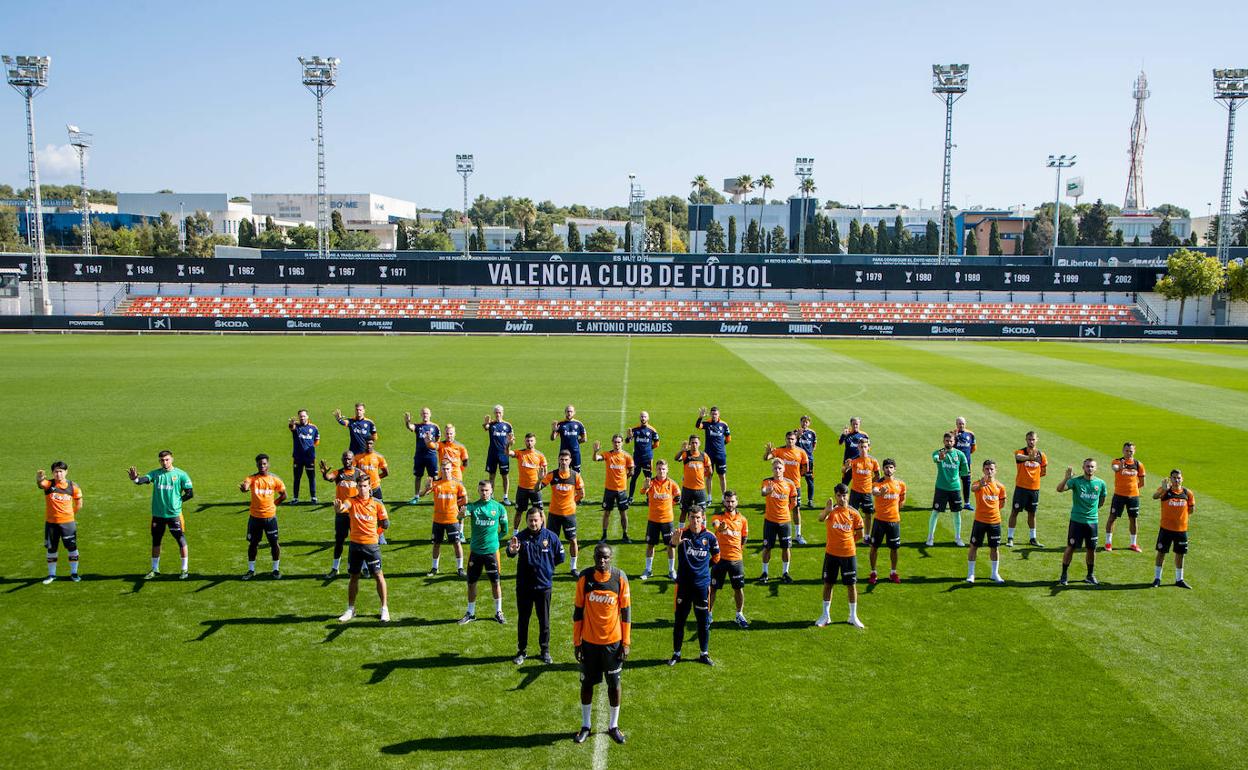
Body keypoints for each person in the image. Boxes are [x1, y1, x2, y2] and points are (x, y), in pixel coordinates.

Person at [573, 543, 630, 746]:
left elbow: (626, 612)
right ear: (594, 558)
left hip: (613, 644)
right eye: (599, 557)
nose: (602, 561)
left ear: (611, 558)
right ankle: (586, 725)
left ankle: (613, 726)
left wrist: (626, 642)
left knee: (614, 685)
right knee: (587, 684)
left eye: (605, 557)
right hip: (589, 643)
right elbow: (578, 611)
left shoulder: (619, 578)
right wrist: (576, 641)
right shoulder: (585, 578)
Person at [507, 506, 565, 664]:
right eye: (530, 520)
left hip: (544, 587)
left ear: (541, 520)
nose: (533, 523)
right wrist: (512, 551)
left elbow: (560, 558)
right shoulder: (520, 537)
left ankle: (545, 651)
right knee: (523, 620)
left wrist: (546, 569)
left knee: (544, 621)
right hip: (524, 587)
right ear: (526, 521)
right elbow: (510, 551)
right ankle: (521, 651)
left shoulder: (551, 537)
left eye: (536, 520)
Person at [128, 450, 194, 580]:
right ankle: (155, 569)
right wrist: (135, 479)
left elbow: (190, 493)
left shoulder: (181, 475)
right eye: (162, 460)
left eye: (167, 459)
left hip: (174, 514)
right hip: (158, 515)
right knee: (156, 541)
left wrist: (179, 501)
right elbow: (143, 480)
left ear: (172, 459)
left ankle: (184, 570)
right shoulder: (156, 474)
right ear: (159, 461)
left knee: (180, 540)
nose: (165, 462)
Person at [668, 507, 720, 666]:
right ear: (688, 518)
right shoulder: (681, 534)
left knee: (703, 622)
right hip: (683, 586)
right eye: (692, 517)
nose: (695, 521)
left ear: (703, 518)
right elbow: (671, 547)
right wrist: (673, 544)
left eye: (698, 518)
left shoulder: (710, 537)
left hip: (702, 587)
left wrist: (704, 568)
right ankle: (677, 654)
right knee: (679, 621)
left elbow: (717, 557)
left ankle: (704, 653)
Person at [336, 477, 390, 622]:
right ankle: (350, 609)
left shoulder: (377, 504)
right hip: (355, 546)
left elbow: (385, 524)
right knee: (354, 577)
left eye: (364, 486)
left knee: (378, 576)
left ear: (370, 487)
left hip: (372, 546)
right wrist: (338, 509)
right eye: (359, 486)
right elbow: (343, 508)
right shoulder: (351, 501)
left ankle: (384, 609)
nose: (361, 489)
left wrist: (375, 534)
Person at [459, 479, 509, 624]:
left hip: (491, 552)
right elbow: (461, 515)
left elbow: (504, 530)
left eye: (487, 490)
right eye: (482, 490)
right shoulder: (473, 507)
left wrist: (495, 541)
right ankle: (470, 613)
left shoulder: (499, 508)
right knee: (471, 583)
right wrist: (461, 515)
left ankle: (498, 612)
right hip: (475, 552)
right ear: (478, 491)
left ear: (492, 490)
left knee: (495, 582)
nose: (484, 493)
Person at [816, 484, 865, 629]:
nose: (842, 498)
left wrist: (848, 542)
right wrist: (826, 510)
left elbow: (860, 534)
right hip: (831, 554)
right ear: (836, 496)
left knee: (851, 585)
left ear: (848, 496)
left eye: (844, 495)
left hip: (848, 555)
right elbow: (820, 518)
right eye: (839, 495)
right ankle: (826, 615)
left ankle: (853, 616)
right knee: (828, 584)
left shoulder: (854, 513)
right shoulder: (831, 511)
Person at [1056, 459, 1108, 586]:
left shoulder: (1100, 483)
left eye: (1092, 467)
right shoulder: (1076, 481)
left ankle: (1090, 575)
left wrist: (1092, 511)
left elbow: (1102, 500)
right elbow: (1059, 489)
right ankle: (1064, 574)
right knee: (1071, 547)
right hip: (1077, 521)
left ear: (1095, 469)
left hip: (1092, 522)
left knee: (1091, 549)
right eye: (1087, 466)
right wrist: (1066, 478)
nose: (1089, 469)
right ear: (1083, 468)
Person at [537, 450, 585, 576]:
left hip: (569, 514)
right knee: (551, 540)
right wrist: (539, 480)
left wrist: (572, 503)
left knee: (573, 540)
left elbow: (581, 494)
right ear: (558, 460)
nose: (563, 462)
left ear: (570, 461)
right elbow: (537, 488)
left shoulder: (575, 476)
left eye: (566, 460)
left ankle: (573, 567)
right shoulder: (552, 475)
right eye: (561, 460)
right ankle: (550, 565)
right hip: (554, 514)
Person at [239, 453, 286, 580]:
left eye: (264, 464)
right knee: (253, 544)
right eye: (260, 464)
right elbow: (246, 485)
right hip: (255, 518)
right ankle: (251, 570)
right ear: (257, 465)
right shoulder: (252, 478)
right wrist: (244, 488)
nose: (262, 466)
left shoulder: (274, 479)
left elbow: (283, 495)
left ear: (268, 465)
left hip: (270, 518)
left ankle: (275, 570)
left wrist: (274, 505)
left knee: (274, 543)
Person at [319, 451, 365, 578]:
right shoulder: (339, 473)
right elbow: (329, 477)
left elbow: (367, 487)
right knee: (339, 541)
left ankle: (365, 568)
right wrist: (324, 473)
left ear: (353, 460)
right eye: (345, 459)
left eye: (349, 459)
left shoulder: (359, 474)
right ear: (342, 460)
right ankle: (335, 568)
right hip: (342, 513)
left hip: (356, 513)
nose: (347, 461)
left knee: (360, 541)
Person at [37, 461, 83, 584]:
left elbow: (79, 504)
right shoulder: (49, 484)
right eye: (56, 471)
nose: (58, 474)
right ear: (52, 473)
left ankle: (74, 573)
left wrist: (70, 514)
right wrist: (39, 478)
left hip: (68, 523)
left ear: (66, 472)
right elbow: (41, 483)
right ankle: (52, 575)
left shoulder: (73, 486)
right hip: (51, 524)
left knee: (72, 547)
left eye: (61, 471)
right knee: (51, 549)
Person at [709, 490, 749, 628]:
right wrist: (720, 528)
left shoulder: (742, 519)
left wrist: (739, 550)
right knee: (713, 588)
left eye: (732, 501)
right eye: (727, 501)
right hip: (719, 560)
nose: (730, 504)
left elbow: (744, 537)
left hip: (736, 560)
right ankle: (708, 614)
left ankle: (739, 614)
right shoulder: (718, 517)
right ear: (723, 502)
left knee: (738, 589)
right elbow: (715, 525)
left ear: (737, 502)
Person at [421, 458, 468, 577]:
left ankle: (460, 568)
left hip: (452, 519)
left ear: (451, 469)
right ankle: (434, 568)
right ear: (440, 470)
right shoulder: (436, 483)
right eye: (443, 469)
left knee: (457, 543)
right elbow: (421, 494)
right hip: (438, 520)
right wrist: (426, 488)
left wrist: (460, 510)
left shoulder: (457, 484)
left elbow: (465, 499)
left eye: (448, 469)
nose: (446, 471)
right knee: (436, 544)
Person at [764, 431, 811, 544]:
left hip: (795, 486)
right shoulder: (780, 450)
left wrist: (798, 477)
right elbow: (767, 458)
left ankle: (798, 535)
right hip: (780, 485)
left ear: (796, 440)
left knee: (796, 509)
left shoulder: (801, 452)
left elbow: (805, 468)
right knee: (777, 508)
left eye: (792, 439)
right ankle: (776, 532)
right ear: (785, 439)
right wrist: (767, 452)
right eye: (788, 439)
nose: (790, 441)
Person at [757, 458, 798, 584]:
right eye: (775, 468)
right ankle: (765, 572)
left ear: (784, 469)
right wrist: (767, 492)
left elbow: (794, 502)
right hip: (770, 521)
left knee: (786, 548)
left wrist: (785, 511)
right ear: (772, 469)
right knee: (767, 548)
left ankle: (785, 572)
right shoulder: (767, 482)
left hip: (785, 522)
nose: (777, 470)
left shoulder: (790, 484)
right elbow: (763, 492)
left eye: (780, 468)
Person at [966, 460, 1007, 584]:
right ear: (983, 470)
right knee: (974, 547)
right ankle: (971, 574)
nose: (989, 471)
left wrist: (992, 511)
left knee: (995, 548)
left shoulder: (1000, 486)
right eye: (987, 469)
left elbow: (1002, 503)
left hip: (995, 522)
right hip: (980, 521)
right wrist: (980, 486)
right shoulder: (979, 483)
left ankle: (994, 574)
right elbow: (973, 489)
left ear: (995, 470)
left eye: (991, 469)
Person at [1152, 469, 1194, 589]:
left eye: (1179, 478)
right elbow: (1154, 496)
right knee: (1161, 553)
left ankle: (1179, 579)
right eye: (1174, 478)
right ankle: (1157, 579)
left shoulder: (1187, 493)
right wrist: (1163, 489)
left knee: (1180, 554)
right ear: (1170, 479)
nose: (1176, 480)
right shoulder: (1165, 490)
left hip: (1181, 530)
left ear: (1182, 479)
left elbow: (1191, 509)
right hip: (1166, 529)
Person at [639, 459, 680, 580]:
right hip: (653, 520)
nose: (661, 471)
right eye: (659, 469)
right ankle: (648, 570)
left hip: (667, 521)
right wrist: (645, 487)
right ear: (655, 470)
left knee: (671, 546)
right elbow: (642, 492)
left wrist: (668, 506)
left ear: (667, 470)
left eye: (663, 469)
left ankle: (671, 571)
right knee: (650, 545)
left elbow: (678, 497)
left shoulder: (672, 484)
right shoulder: (650, 482)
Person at [926, 432, 968, 547]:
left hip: (955, 488)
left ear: (954, 442)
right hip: (941, 488)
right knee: (935, 512)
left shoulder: (960, 455)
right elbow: (935, 458)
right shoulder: (939, 453)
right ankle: (930, 537)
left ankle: (958, 538)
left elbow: (965, 471)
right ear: (943, 441)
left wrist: (961, 475)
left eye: (951, 441)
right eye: (946, 441)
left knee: (956, 513)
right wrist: (940, 458)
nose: (948, 443)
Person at [868, 458, 906, 584]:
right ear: (883, 469)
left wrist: (896, 510)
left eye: (891, 467)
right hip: (879, 521)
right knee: (874, 547)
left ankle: (893, 573)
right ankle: (873, 572)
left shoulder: (900, 484)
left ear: (894, 469)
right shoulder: (878, 483)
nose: (888, 470)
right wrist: (880, 493)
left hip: (894, 521)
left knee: (894, 549)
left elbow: (902, 498)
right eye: (886, 467)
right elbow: (875, 492)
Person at [1008, 431, 1048, 548]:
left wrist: (1033, 478)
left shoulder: (1041, 455)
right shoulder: (1021, 452)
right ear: (1026, 440)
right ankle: (1010, 538)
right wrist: (1029, 457)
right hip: (1021, 488)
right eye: (1029, 439)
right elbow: (1018, 457)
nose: (1031, 441)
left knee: (1032, 513)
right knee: (1015, 512)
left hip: (1034, 489)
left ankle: (1033, 538)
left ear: (1037, 440)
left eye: (1033, 439)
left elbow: (1043, 471)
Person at [593, 435, 634, 543]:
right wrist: (595, 452)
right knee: (606, 513)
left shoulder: (627, 456)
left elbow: (632, 470)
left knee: (623, 513)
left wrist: (625, 477)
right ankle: (604, 535)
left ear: (622, 443)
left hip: (621, 490)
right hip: (609, 489)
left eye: (619, 442)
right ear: (612, 442)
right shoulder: (607, 454)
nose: (617, 444)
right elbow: (596, 458)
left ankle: (625, 534)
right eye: (615, 442)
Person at [1107, 442, 1146, 552]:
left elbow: (1142, 483)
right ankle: (1108, 543)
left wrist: (1132, 489)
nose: (1129, 453)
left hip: (1133, 497)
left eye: (1131, 451)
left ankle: (1133, 544)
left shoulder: (1139, 464)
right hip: (1119, 495)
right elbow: (1114, 468)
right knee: (1112, 518)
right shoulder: (1117, 461)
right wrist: (1120, 467)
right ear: (1123, 451)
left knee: (1133, 519)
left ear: (1134, 451)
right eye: (1126, 451)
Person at [841, 438, 880, 544]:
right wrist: (846, 467)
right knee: (851, 514)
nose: (863, 449)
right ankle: (850, 534)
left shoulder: (873, 461)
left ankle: (867, 536)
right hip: (855, 492)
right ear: (858, 447)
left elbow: (877, 476)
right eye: (861, 447)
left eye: (865, 447)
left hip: (867, 493)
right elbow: (843, 470)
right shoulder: (853, 460)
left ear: (869, 448)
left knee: (868, 515)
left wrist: (870, 484)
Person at [509, 433, 548, 526]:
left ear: (535, 441)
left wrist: (541, 481)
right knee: (519, 511)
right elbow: (508, 453)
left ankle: (544, 533)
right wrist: (509, 444)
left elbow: (545, 472)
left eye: (531, 441)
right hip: (522, 488)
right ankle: (515, 533)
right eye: (527, 441)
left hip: (535, 488)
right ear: (525, 441)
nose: (529, 443)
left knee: (540, 512)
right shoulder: (520, 452)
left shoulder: (540, 455)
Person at [403, 407, 440, 504]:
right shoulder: (418, 426)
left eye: (427, 413)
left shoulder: (435, 427)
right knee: (418, 476)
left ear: (430, 414)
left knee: (435, 477)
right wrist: (407, 422)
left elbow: (438, 440)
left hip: (431, 456)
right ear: (421, 415)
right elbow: (410, 427)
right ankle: (416, 497)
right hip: (419, 456)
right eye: (423, 413)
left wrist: (432, 444)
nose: (425, 415)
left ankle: (437, 497)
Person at [694, 406, 731, 502]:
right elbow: (698, 426)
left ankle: (724, 497)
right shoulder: (707, 423)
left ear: (719, 414)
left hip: (720, 455)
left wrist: (721, 446)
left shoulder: (724, 425)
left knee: (722, 476)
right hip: (708, 455)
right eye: (712, 414)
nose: (714, 416)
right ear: (710, 414)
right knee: (709, 475)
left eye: (716, 414)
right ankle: (709, 496)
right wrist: (700, 417)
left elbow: (728, 439)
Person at [676, 435, 714, 524]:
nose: (694, 444)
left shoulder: (704, 456)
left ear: (699, 444)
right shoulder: (686, 454)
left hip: (700, 489)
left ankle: (703, 532)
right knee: (684, 512)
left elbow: (710, 471)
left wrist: (701, 475)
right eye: (692, 442)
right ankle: (681, 532)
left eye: (696, 442)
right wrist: (682, 450)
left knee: (702, 512)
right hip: (687, 489)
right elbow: (676, 458)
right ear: (689, 444)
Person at [482, 404, 515, 506]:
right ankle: (491, 496)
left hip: (504, 454)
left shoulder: (508, 426)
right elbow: (486, 427)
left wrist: (511, 442)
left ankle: (505, 497)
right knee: (492, 476)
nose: (498, 414)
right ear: (494, 413)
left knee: (505, 476)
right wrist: (486, 423)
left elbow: (512, 441)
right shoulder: (492, 424)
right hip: (492, 454)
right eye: (496, 412)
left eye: (499, 412)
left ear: (503, 413)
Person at [625, 411, 659, 501]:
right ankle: (630, 497)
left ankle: (649, 497)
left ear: (648, 418)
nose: (643, 418)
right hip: (636, 458)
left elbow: (657, 444)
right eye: (642, 416)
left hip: (647, 459)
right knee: (633, 477)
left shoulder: (652, 430)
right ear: (639, 418)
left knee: (648, 479)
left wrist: (648, 449)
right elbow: (627, 441)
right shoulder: (634, 429)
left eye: (645, 417)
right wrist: (628, 437)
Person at [288, 410, 319, 504]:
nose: (302, 418)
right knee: (297, 478)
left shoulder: (314, 428)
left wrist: (309, 447)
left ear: (307, 416)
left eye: (304, 416)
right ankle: (295, 498)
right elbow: (291, 428)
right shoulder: (296, 426)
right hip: (298, 458)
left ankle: (313, 497)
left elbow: (316, 441)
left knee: (311, 477)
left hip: (309, 458)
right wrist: (291, 424)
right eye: (300, 416)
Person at [551, 404, 587, 472]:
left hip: (575, 453)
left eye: (571, 411)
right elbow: (553, 438)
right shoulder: (560, 424)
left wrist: (575, 442)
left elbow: (584, 439)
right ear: (565, 412)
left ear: (574, 412)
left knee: (576, 473)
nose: (569, 413)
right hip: (563, 454)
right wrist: (554, 431)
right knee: (562, 472)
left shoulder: (579, 424)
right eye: (568, 411)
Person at [353, 438, 389, 503]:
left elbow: (386, 473)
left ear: (373, 444)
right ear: (364, 444)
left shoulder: (379, 457)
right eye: (367, 444)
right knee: (362, 508)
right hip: (363, 488)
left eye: (370, 443)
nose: (369, 445)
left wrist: (376, 479)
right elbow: (353, 471)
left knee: (379, 507)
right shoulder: (358, 457)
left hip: (375, 487)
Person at [795, 415, 818, 510]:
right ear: (800, 422)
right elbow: (792, 444)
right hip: (798, 460)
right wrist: (798, 436)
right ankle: (794, 499)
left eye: (806, 422)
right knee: (795, 479)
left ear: (809, 423)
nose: (804, 423)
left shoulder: (812, 433)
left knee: (810, 480)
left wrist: (808, 454)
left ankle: (810, 500)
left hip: (809, 461)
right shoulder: (795, 432)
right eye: (803, 421)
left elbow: (814, 445)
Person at [837, 417, 869, 485]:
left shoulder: (864, 435)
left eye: (857, 424)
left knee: (860, 484)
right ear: (851, 424)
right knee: (844, 484)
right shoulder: (847, 433)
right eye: (853, 424)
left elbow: (867, 449)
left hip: (859, 464)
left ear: (859, 424)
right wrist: (843, 435)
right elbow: (840, 443)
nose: (855, 426)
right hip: (847, 463)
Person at [953, 417, 976, 511]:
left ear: (965, 424)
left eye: (962, 423)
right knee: (954, 482)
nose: (961, 425)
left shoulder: (970, 434)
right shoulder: (952, 433)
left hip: (966, 464)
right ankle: (954, 502)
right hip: (954, 464)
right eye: (959, 423)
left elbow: (973, 448)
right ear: (956, 424)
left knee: (967, 482)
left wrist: (966, 457)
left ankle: (967, 503)